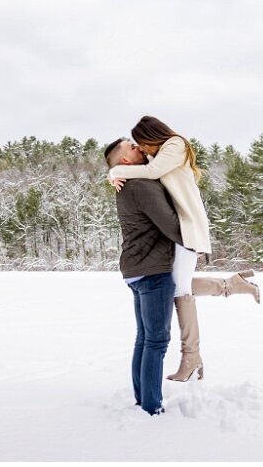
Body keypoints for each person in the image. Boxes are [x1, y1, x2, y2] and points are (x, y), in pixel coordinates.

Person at [106, 116, 259, 383]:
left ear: (151, 135)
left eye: (140, 142)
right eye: (136, 146)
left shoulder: (174, 145)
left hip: (187, 227)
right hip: (179, 228)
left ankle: (191, 356)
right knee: (178, 286)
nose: (140, 149)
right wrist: (114, 172)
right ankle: (231, 286)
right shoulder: (156, 158)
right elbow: (144, 171)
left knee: (179, 290)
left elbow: (150, 173)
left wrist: (117, 171)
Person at [105, 139, 181, 415]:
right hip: (153, 270)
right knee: (156, 341)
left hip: (136, 270)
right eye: (132, 147)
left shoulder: (128, 182)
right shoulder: (141, 185)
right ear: (125, 161)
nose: (139, 147)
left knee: (145, 338)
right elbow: (172, 226)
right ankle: (151, 407)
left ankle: (142, 399)